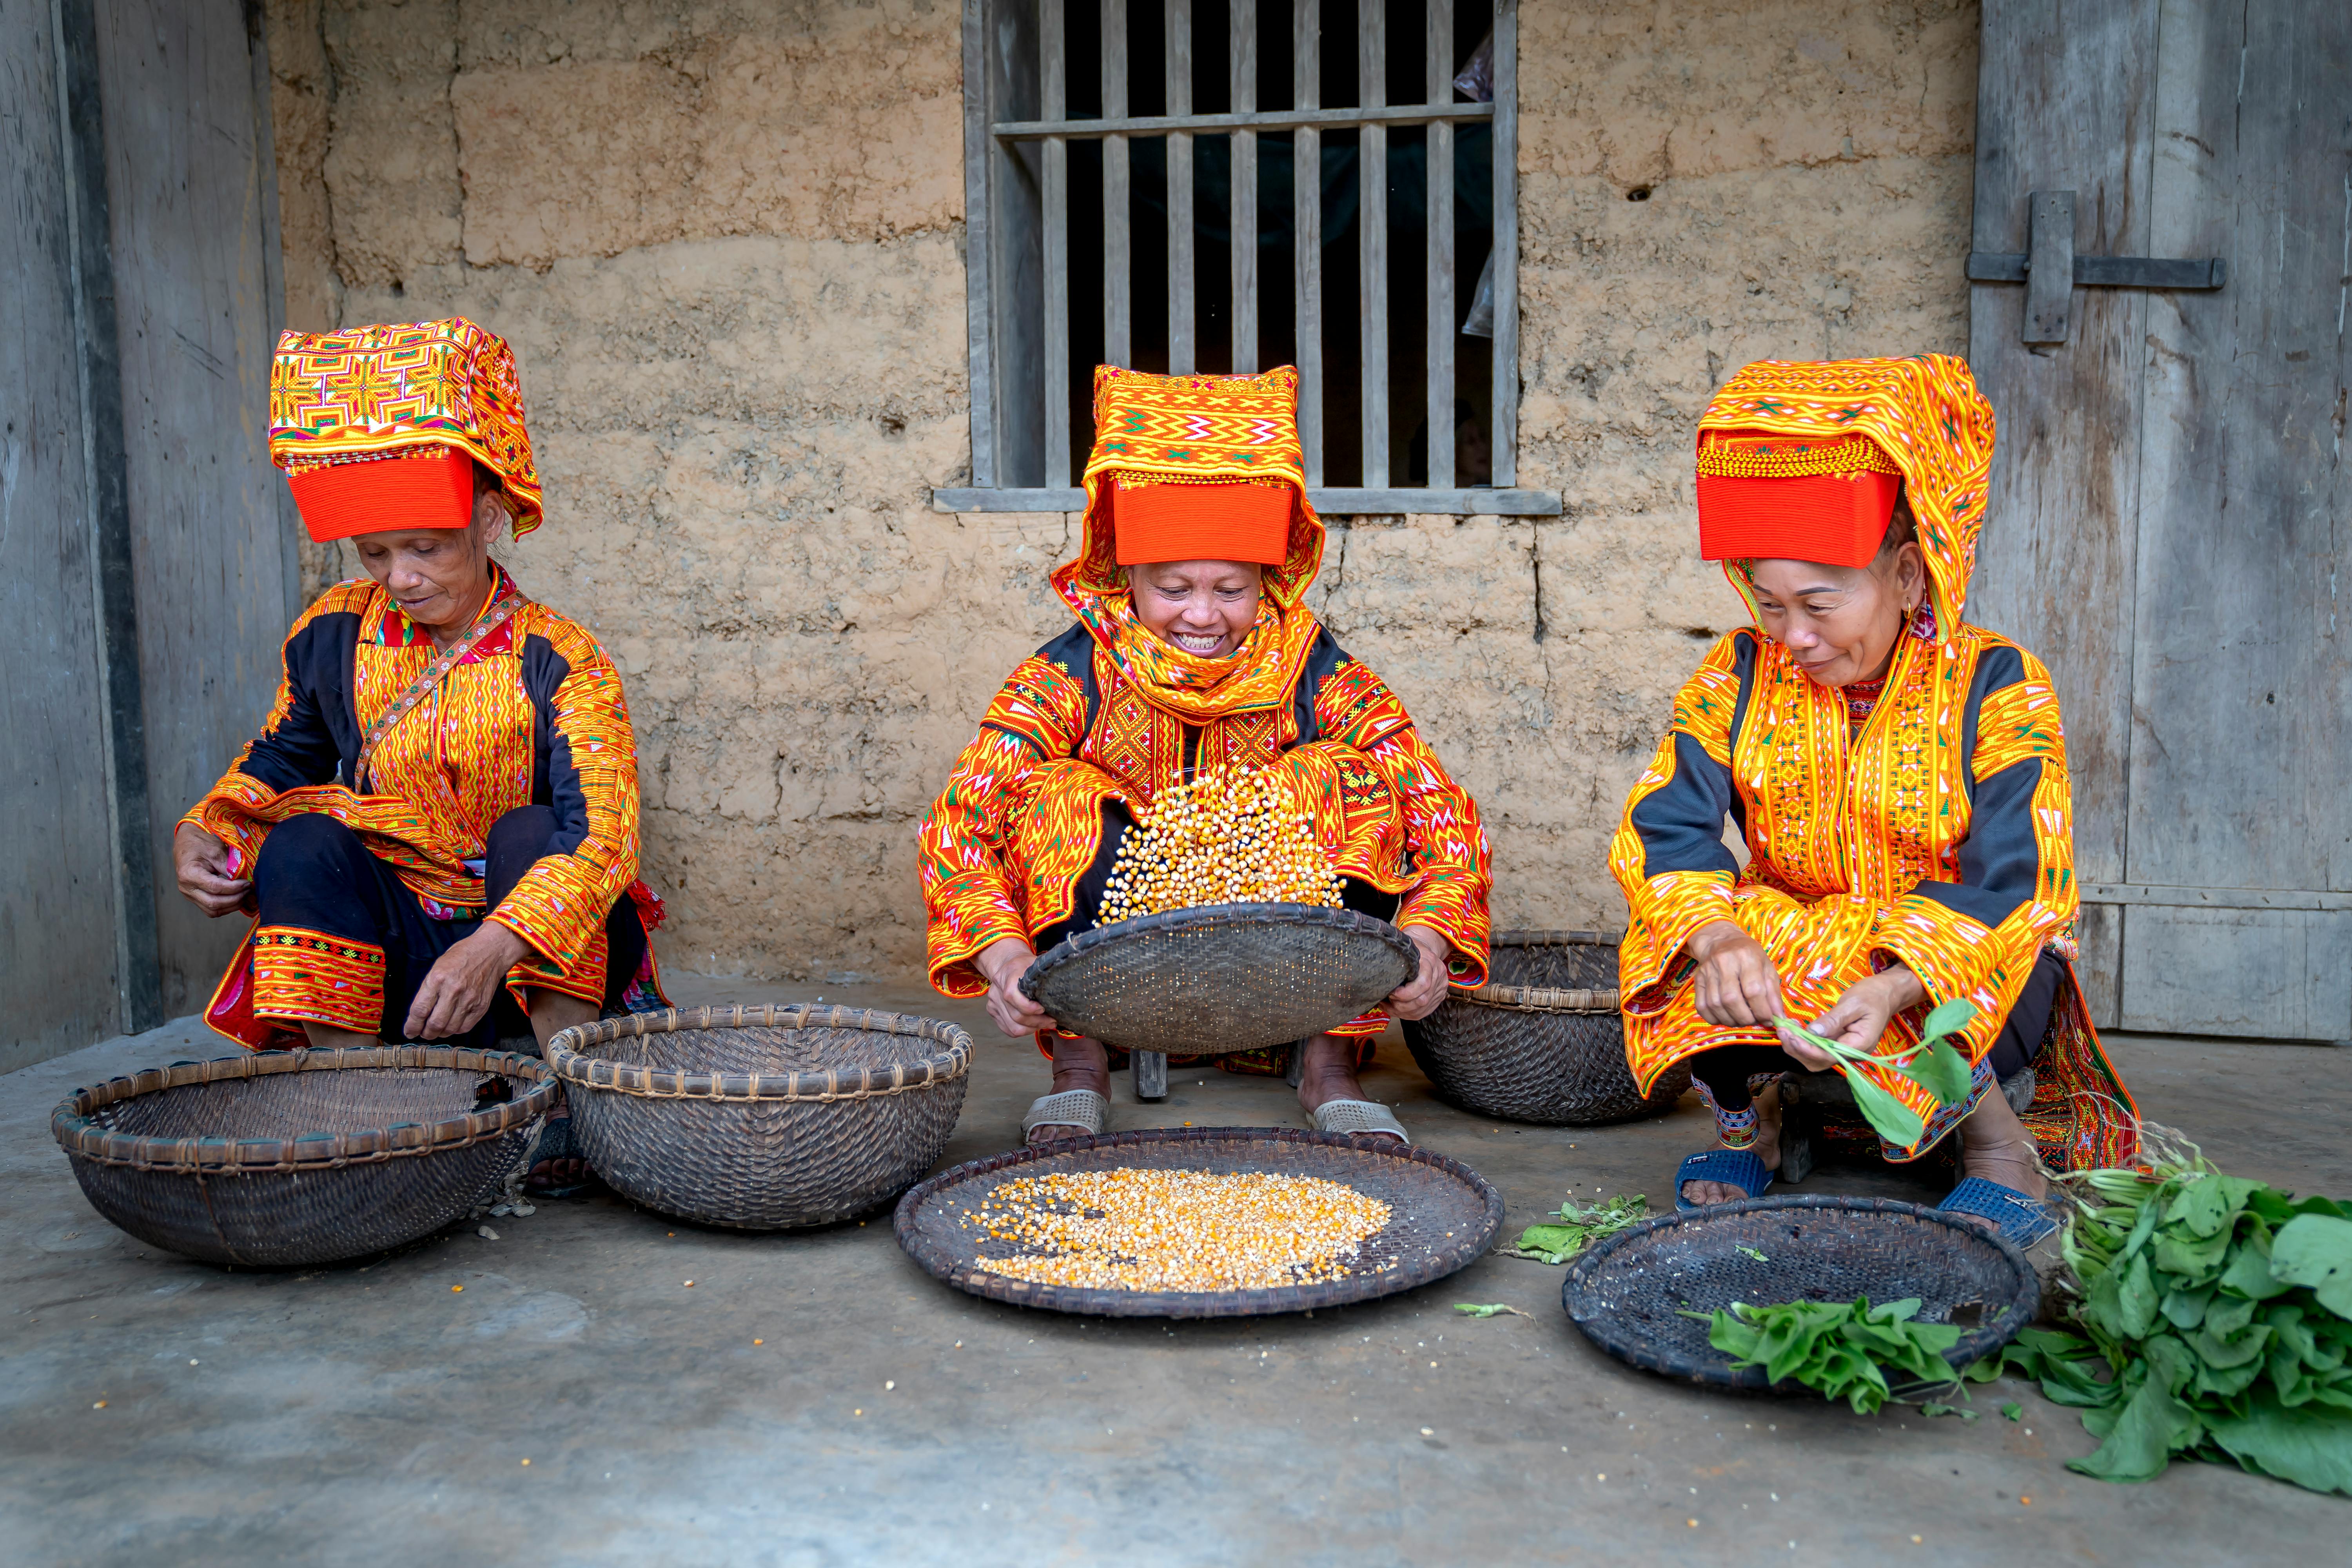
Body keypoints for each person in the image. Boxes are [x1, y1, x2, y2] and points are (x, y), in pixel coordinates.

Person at [1610, 354, 2136, 1245]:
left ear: (1907, 572)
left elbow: (2020, 877)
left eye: (1820, 602)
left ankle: (1996, 1145)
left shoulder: (1998, 682)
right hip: (1799, 949)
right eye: (1769, 604)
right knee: (1678, 939)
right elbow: (1667, 824)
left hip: (1946, 966)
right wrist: (1721, 936)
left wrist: (1896, 981)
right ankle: (1754, 1117)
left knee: (2001, 961)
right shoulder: (1738, 671)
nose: (1796, 637)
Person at [920, 364, 1493, 1146]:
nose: (1202, 615)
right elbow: (960, 825)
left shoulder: (1311, 666)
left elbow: (1441, 810)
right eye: (1174, 587)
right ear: (1128, 576)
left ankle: (1331, 1066)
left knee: (1355, 774)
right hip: (1117, 971)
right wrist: (1005, 957)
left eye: (1230, 588)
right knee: (1051, 791)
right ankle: (1080, 1069)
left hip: (1276, 959)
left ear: (1268, 577)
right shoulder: (1072, 670)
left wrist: (1428, 939)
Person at [174, 318, 666, 1188]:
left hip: (528, 958)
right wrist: (208, 827)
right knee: (301, 842)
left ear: (485, 520)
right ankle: (357, 1101)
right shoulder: (333, 631)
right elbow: (283, 756)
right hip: (401, 954)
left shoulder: (558, 654)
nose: (400, 576)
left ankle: (572, 1102)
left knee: (534, 829)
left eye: (426, 548)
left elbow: (605, 837)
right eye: (377, 552)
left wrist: (492, 945)